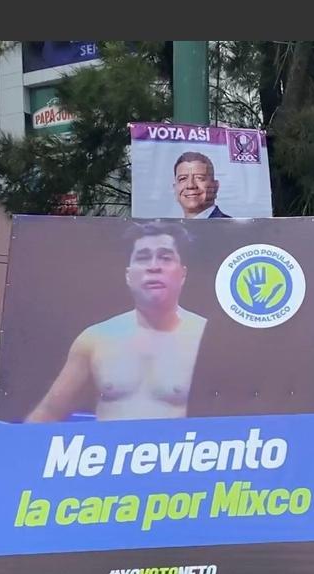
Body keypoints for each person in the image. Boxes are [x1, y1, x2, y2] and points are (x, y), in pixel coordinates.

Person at [25, 222, 207, 422]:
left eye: (165, 258)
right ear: (129, 275)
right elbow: (47, 413)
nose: (154, 267)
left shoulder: (206, 338)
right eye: (143, 258)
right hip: (107, 452)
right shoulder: (95, 340)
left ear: (183, 273)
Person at [173, 152, 230, 219]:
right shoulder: (170, 228)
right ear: (175, 188)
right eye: (183, 178)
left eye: (199, 178)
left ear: (215, 186)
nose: (190, 185)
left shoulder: (232, 227)